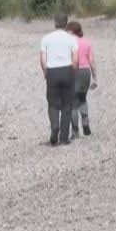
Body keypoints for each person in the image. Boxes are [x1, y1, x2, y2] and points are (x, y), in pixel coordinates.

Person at [40, 13, 79, 145]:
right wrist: (73, 71)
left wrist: (46, 73)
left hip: (52, 71)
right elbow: (75, 58)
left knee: (53, 103)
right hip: (67, 70)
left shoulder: (46, 39)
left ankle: (54, 126)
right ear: (66, 23)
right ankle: (63, 137)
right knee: (67, 105)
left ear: (54, 23)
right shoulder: (71, 39)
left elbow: (43, 59)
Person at [66, 21, 97, 138]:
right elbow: (92, 61)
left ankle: (75, 130)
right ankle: (85, 123)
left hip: (74, 72)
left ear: (72, 31)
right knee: (82, 99)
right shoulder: (87, 42)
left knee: (73, 103)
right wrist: (95, 77)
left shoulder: (69, 43)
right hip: (86, 72)